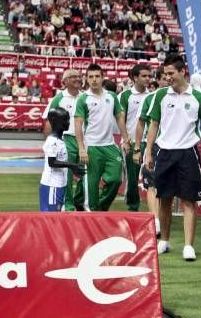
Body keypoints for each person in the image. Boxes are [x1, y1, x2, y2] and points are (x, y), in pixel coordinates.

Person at [144, 56, 201, 260]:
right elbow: (154, 125)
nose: (168, 77)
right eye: (166, 74)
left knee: (189, 200)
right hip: (164, 152)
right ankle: (164, 241)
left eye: (171, 73)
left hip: (188, 153)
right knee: (164, 199)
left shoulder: (198, 97)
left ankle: (188, 246)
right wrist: (149, 151)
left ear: (183, 72)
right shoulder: (160, 96)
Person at [75, 64, 129, 212]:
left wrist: (125, 139)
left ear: (102, 77)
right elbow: (78, 125)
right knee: (91, 188)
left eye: (97, 76)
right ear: (86, 79)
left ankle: (100, 208)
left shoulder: (111, 96)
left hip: (110, 146)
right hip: (91, 147)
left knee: (115, 180)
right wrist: (81, 149)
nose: (94, 80)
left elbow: (119, 116)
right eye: (90, 77)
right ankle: (90, 213)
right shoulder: (83, 99)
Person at [43, 69, 84, 211]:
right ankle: (69, 205)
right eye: (73, 77)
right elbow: (49, 121)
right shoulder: (58, 98)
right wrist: (49, 142)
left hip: (85, 139)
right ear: (65, 81)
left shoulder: (85, 97)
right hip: (67, 138)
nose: (78, 79)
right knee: (68, 172)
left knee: (85, 172)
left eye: (79, 76)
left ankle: (80, 201)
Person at [135, 72, 168, 237]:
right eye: (164, 77)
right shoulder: (149, 99)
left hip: (172, 147)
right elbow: (141, 123)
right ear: (159, 80)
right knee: (151, 183)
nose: (167, 80)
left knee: (165, 186)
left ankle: (161, 218)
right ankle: (155, 220)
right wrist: (138, 147)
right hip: (153, 145)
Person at [119, 63, 151, 211]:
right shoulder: (126, 96)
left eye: (149, 76)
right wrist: (125, 140)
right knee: (132, 178)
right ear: (135, 77)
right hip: (131, 142)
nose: (148, 79)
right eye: (144, 76)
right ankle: (133, 207)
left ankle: (156, 212)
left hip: (149, 142)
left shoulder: (152, 95)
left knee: (152, 179)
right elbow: (121, 119)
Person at [40, 107, 85, 212]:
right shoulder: (53, 142)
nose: (68, 122)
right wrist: (72, 166)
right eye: (65, 120)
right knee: (50, 217)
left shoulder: (60, 140)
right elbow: (52, 162)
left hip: (59, 184)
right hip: (52, 185)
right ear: (56, 122)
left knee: (56, 214)